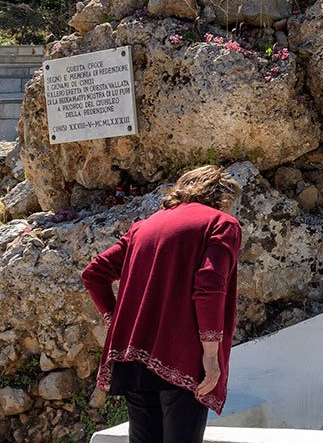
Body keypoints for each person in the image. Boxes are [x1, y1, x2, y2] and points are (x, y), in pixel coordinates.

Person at [81, 165, 242, 443]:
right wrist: (211, 355)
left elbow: (94, 274)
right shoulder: (221, 224)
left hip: (134, 354)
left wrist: (115, 321)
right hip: (182, 354)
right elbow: (209, 286)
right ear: (221, 197)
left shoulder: (144, 227)